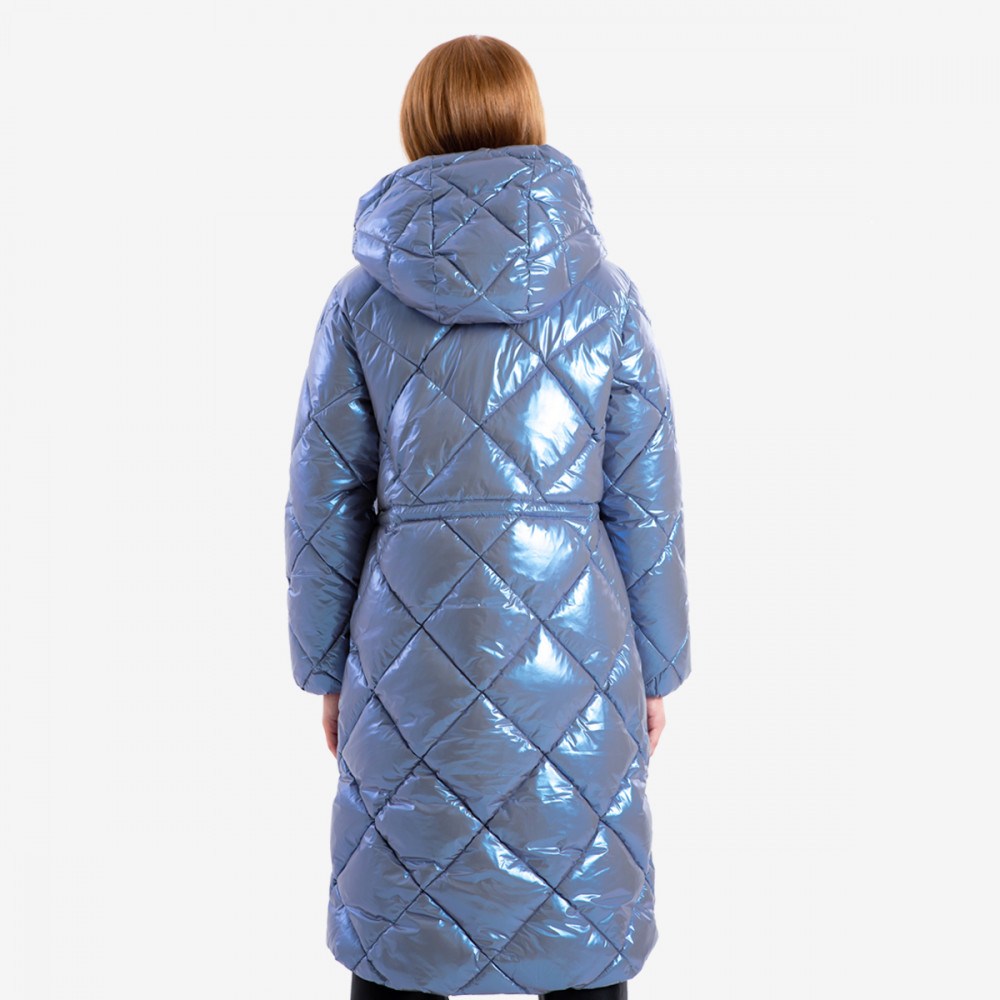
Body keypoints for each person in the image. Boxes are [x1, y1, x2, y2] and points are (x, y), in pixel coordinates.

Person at [284, 34, 691, 1000]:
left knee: (405, 903)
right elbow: (648, 499)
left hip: (407, 648)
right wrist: (658, 666)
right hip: (579, 644)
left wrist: (325, 666)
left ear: (416, 123)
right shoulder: (606, 298)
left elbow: (323, 501)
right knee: (578, 899)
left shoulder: (360, 303)